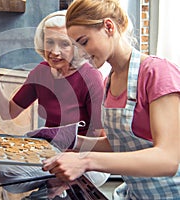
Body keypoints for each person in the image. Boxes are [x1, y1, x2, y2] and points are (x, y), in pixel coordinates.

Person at [42, 0, 180, 199]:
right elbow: (121, 142)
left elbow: (167, 159)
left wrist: (86, 160)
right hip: (137, 194)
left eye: (83, 42)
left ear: (108, 27)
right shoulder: (109, 81)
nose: (78, 54)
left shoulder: (158, 72)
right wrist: (70, 139)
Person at [0, 9, 110, 194]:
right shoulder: (41, 72)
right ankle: (53, 185)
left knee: (9, 172)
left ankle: (57, 188)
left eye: (64, 44)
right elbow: (8, 111)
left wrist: (66, 159)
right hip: (50, 150)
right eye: (50, 42)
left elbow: (99, 136)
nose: (54, 51)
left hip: (88, 157)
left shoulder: (90, 77)